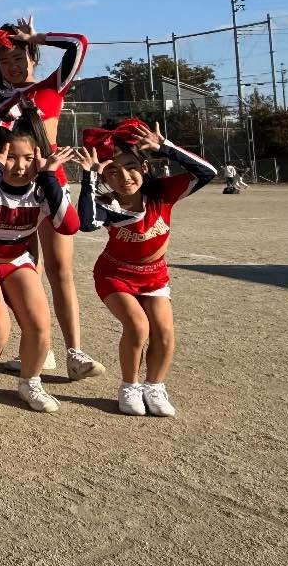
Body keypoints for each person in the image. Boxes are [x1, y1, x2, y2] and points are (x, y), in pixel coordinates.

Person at [0, 17, 103, 382]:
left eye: (19, 57)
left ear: (32, 56)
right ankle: (42, 348)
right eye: (4, 61)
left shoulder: (52, 85)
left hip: (49, 184)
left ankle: (75, 350)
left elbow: (79, 43)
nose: (13, 67)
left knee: (61, 271)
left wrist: (37, 36)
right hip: (11, 190)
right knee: (24, 269)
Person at [73, 119, 216, 416]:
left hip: (154, 276)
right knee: (138, 326)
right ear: (105, 177)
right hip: (115, 275)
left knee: (164, 331)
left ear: (145, 167)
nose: (124, 176)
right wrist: (88, 176)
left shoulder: (162, 193)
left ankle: (155, 386)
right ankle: (130, 386)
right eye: (113, 170)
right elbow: (86, 223)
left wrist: (165, 148)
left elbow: (207, 172)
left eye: (131, 166)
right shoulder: (107, 204)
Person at [0, 122, 78, 413]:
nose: (20, 166)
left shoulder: (44, 187)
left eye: (28, 158)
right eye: (11, 156)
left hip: (15, 261)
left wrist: (49, 176)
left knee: (39, 325)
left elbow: (70, 225)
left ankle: (30, 382)